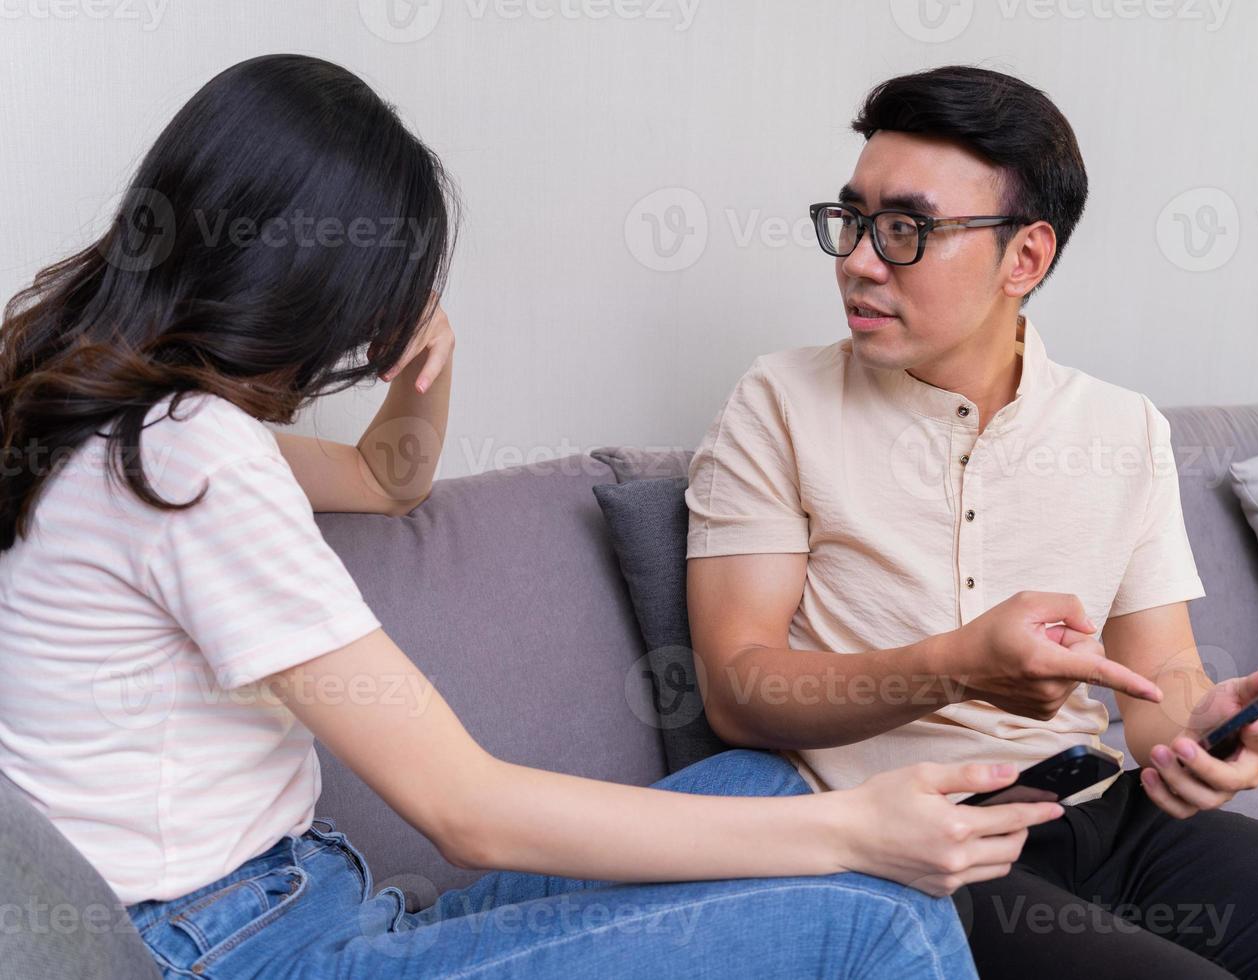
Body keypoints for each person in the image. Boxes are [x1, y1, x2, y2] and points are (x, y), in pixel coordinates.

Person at [0, 54, 1077, 979]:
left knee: (764, 777)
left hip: (289, 912)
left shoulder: (100, 412)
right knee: (870, 913)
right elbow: (466, 807)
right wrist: (854, 827)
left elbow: (386, 478)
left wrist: (429, 355)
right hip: (260, 951)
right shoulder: (186, 453)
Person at [683, 65, 1258, 978]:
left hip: (1099, 808)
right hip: (912, 840)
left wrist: (1206, 732)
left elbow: (1161, 688)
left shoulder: (1121, 427)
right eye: (854, 220)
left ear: (1024, 259)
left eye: (907, 229)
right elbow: (738, 691)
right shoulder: (778, 400)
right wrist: (957, 667)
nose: (860, 260)